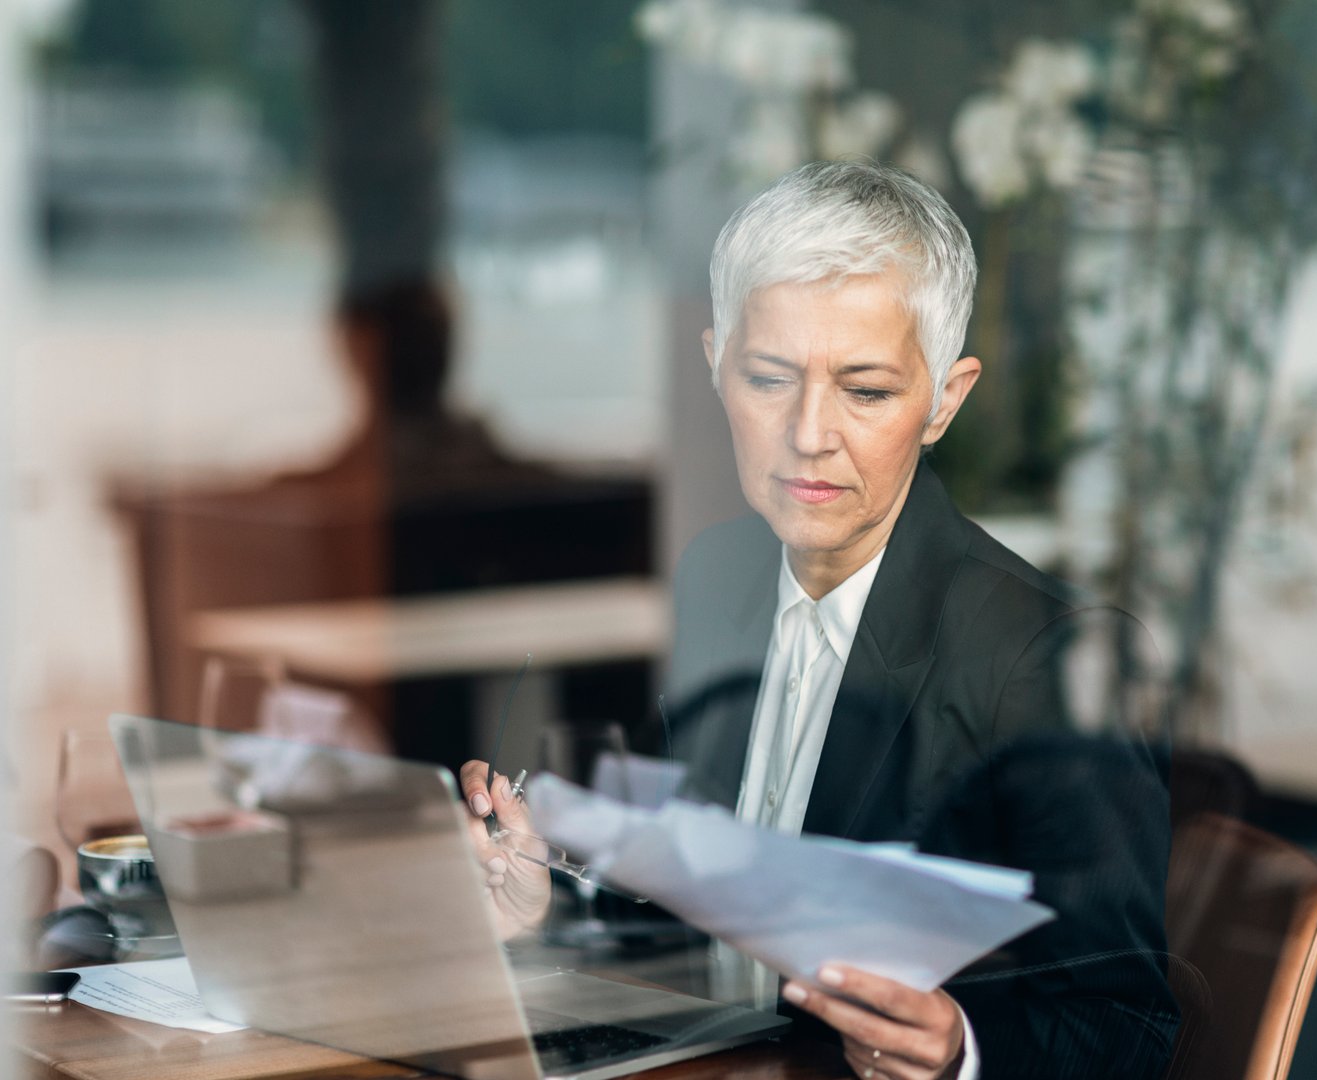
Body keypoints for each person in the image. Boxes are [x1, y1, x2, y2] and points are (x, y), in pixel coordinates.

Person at [462, 160, 1178, 1079]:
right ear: (716, 364)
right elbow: (697, 913)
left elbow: (1130, 1025)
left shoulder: (1047, 656)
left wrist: (960, 1048)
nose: (809, 432)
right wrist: (545, 902)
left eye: (867, 391)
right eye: (769, 377)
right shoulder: (717, 574)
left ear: (944, 401)